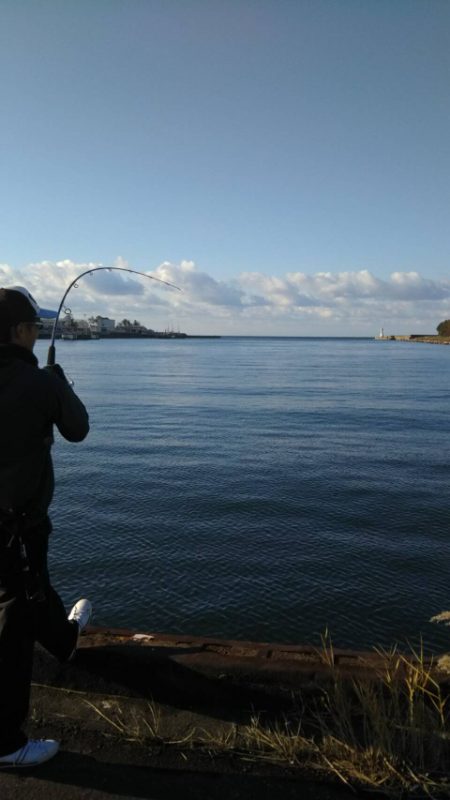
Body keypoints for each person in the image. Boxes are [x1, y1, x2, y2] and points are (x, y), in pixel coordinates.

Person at [0, 285, 92, 768]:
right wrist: (60, 384)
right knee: (14, 615)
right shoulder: (41, 382)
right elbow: (78, 429)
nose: (37, 334)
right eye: (34, 326)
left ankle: (65, 639)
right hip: (16, 523)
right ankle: (5, 743)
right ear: (19, 332)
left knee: (30, 589)